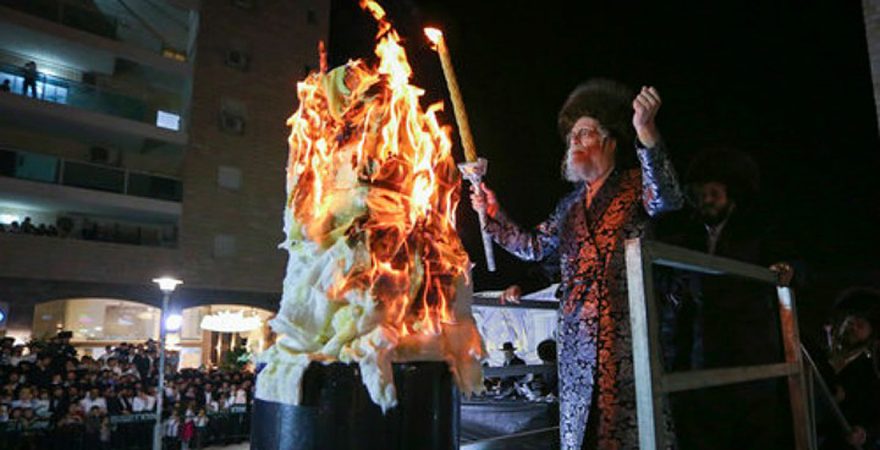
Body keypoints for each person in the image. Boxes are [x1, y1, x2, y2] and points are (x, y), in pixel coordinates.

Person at [471, 79, 683, 449]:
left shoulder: (635, 185)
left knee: (631, 428)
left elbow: (667, 198)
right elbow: (532, 247)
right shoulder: (568, 207)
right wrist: (493, 212)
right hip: (576, 342)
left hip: (627, 335)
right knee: (582, 430)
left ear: (610, 142)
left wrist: (646, 131)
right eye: (572, 136)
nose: (574, 141)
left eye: (584, 133)